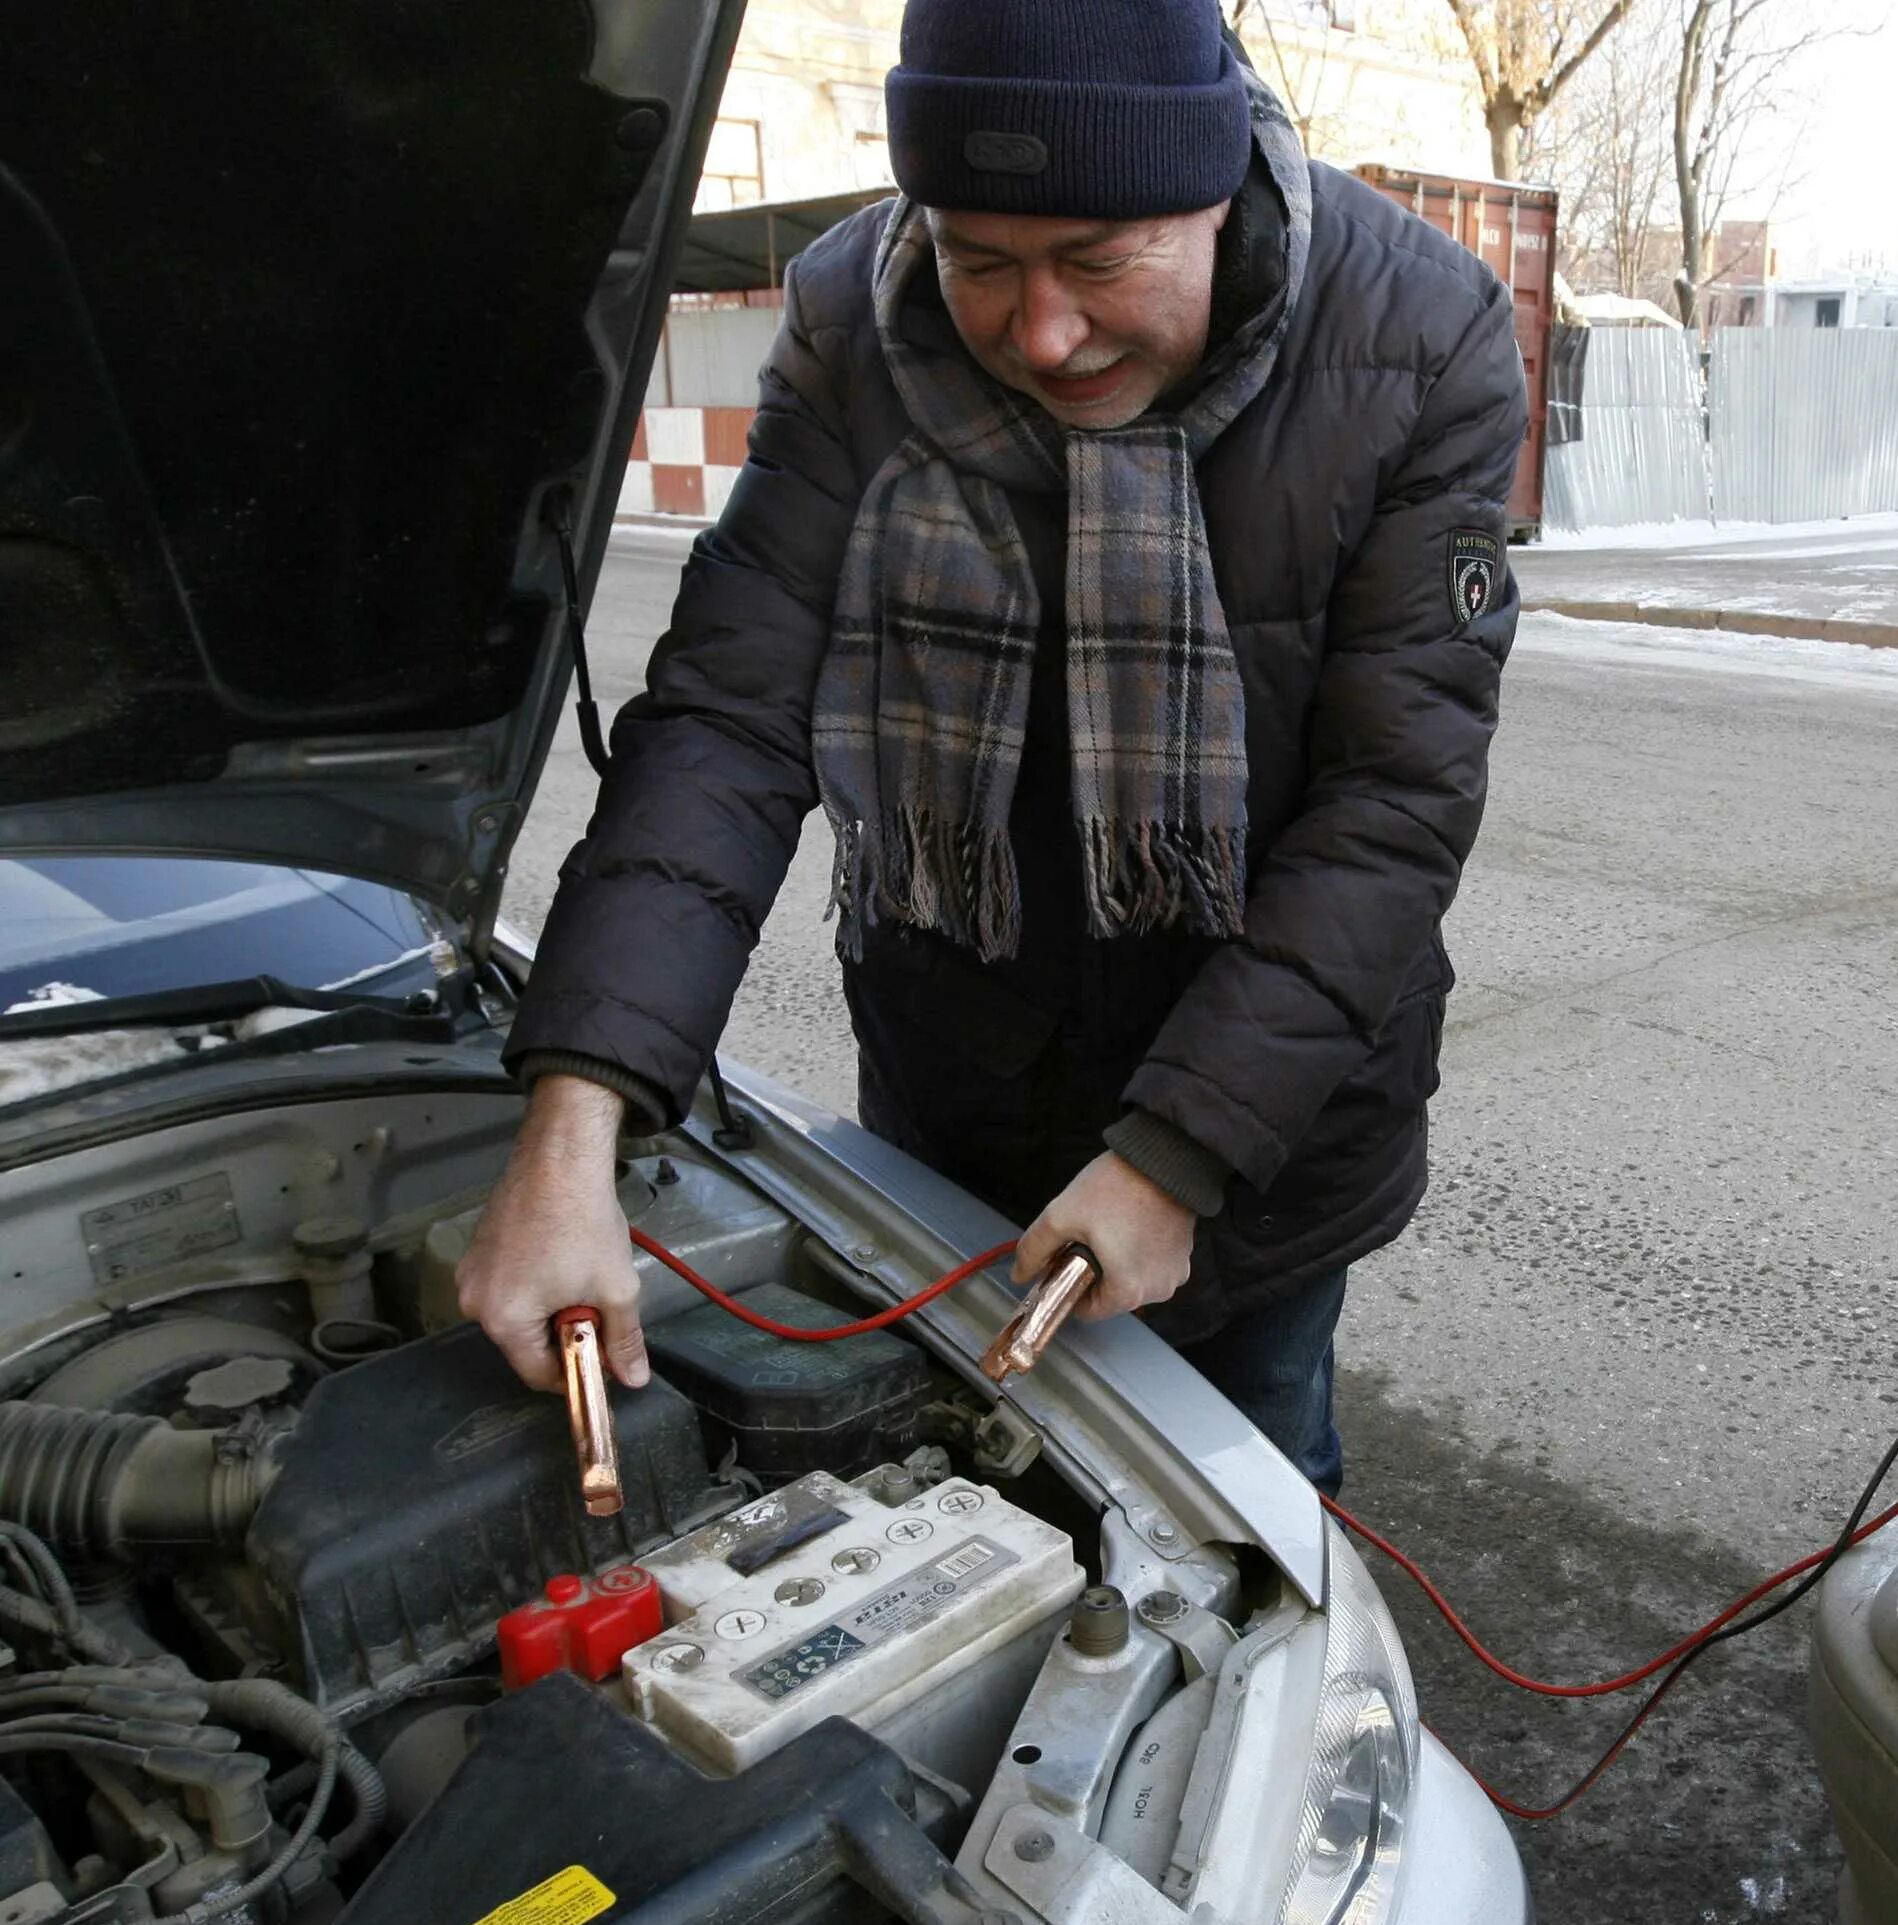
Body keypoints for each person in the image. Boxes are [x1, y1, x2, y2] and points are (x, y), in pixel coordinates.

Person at [455, 0, 1526, 1495]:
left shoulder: (1426, 335)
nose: (1045, 333)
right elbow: (729, 715)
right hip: (954, 1095)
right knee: (964, 1501)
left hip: (1262, 1149)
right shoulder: (853, 314)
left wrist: (1178, 1159)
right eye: (979, 260)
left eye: (1098, 260)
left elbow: (1393, 803)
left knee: (1249, 1496)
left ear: (1215, 191)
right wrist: (574, 1130)